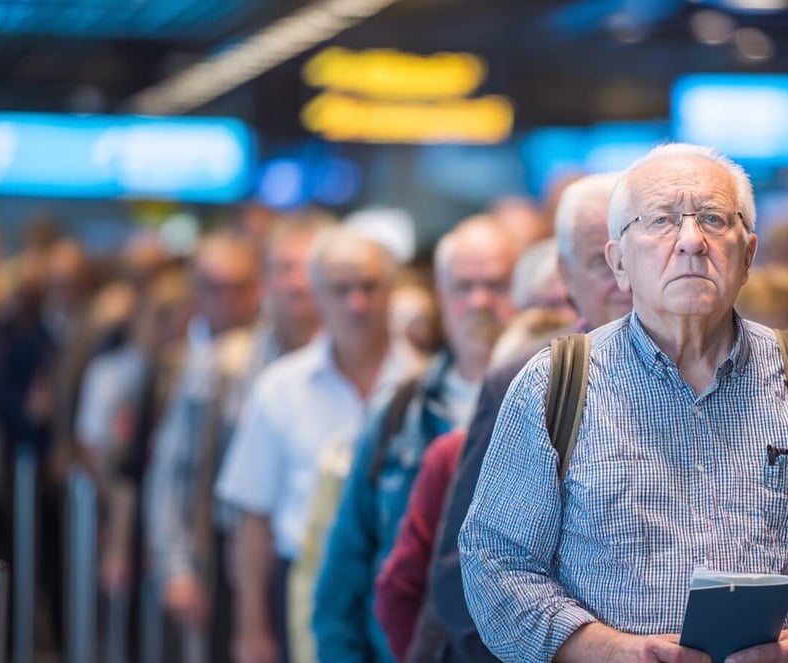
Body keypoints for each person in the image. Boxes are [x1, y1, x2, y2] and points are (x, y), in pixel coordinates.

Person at [459, 144, 788, 662]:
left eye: (714, 219)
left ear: (747, 255)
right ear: (619, 264)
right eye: (660, 221)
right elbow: (495, 561)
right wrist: (610, 652)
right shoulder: (555, 384)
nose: (691, 241)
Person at [405, 172, 630, 663]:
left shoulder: (715, 374)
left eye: (632, 253)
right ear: (566, 277)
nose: (621, 278)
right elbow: (462, 571)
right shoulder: (527, 378)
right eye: (600, 262)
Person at [309, 216, 518, 663]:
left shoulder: (555, 408)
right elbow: (343, 576)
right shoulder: (400, 413)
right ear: (440, 297)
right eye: (463, 287)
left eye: (496, 285)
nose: (479, 301)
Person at [215, 227, 409, 663]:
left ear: (392, 291)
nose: (356, 304)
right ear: (317, 295)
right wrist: (251, 628)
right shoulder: (278, 389)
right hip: (303, 585)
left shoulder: (423, 384)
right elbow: (252, 518)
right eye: (341, 289)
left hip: (401, 591)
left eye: (369, 287)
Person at [145, 213, 332, 661]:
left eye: (308, 268)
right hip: (236, 571)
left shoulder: (360, 369)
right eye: (284, 268)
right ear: (265, 282)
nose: (297, 283)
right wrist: (177, 567)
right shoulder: (220, 368)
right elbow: (176, 471)